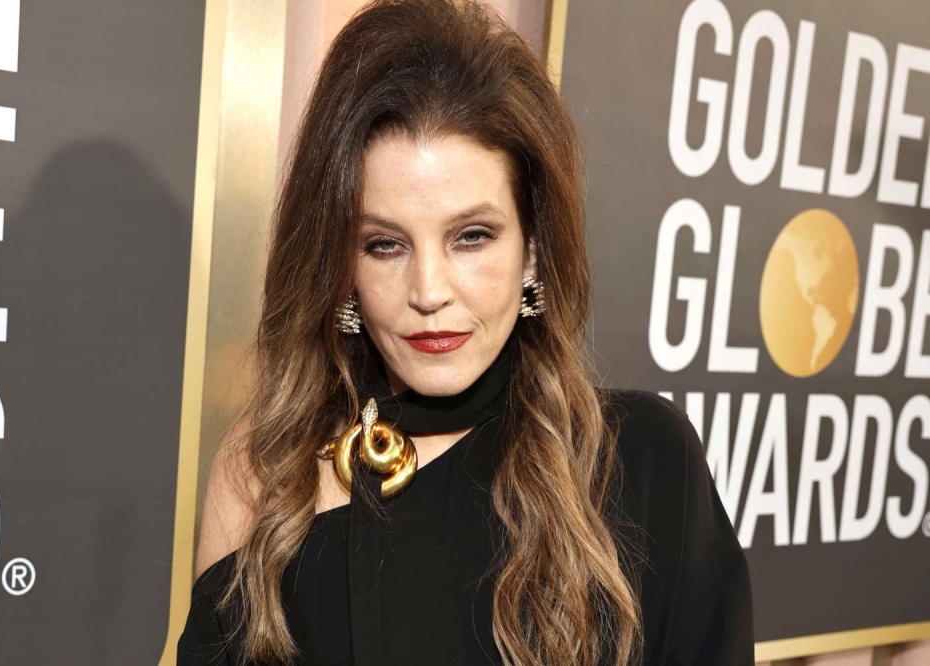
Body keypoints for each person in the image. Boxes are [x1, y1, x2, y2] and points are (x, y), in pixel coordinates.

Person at [177, 0, 754, 664]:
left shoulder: (643, 462)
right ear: (340, 265)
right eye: (384, 245)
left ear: (533, 247)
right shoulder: (269, 464)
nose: (428, 292)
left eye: (472, 236)